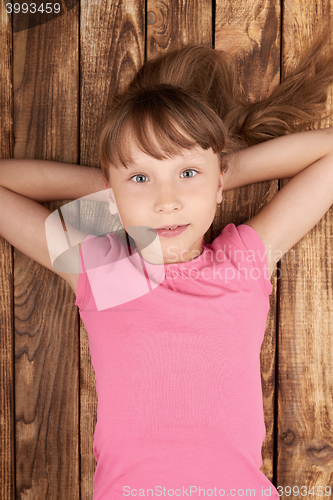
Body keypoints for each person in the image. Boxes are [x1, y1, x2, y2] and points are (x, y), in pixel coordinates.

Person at [1, 29, 333, 499]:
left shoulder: (242, 263)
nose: (167, 202)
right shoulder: (103, 271)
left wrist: (211, 178)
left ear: (219, 182)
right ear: (111, 192)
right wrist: (118, 195)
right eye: (142, 178)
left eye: (187, 174)